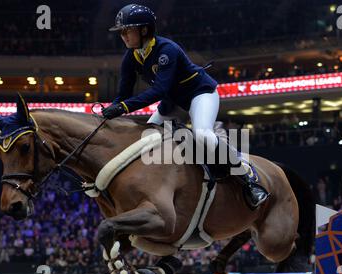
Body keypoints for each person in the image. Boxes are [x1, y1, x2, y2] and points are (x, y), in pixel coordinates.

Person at [102, 4, 268, 209]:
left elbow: (159, 90)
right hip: (173, 101)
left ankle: (247, 176)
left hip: (200, 93)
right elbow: (124, 94)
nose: (123, 36)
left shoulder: (166, 50)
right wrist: (110, 111)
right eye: (121, 32)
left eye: (127, 30)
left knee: (203, 135)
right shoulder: (131, 57)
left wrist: (124, 108)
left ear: (144, 30)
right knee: (144, 139)